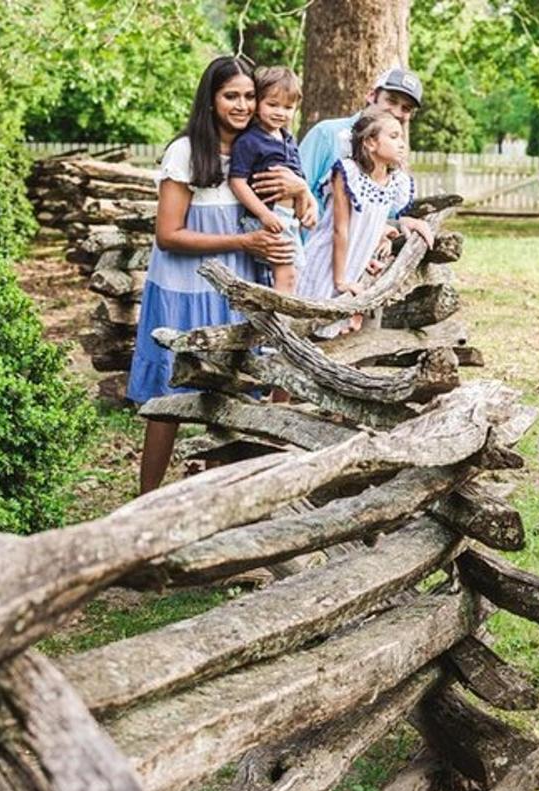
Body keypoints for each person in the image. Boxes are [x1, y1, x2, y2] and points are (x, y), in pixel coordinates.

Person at [128, 55, 310, 494]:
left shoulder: (260, 149)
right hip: (183, 289)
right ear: (210, 100)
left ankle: (213, 499)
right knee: (167, 399)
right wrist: (242, 244)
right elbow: (169, 235)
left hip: (237, 292)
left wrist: (300, 189)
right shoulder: (187, 152)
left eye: (250, 95)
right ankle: (146, 502)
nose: (243, 105)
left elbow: (284, 215)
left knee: (228, 395)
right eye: (232, 95)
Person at [297, 108, 432, 336]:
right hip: (326, 260)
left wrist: (367, 256)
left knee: (334, 332)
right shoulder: (348, 172)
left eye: (401, 136)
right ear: (370, 142)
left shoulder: (395, 182)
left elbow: (370, 224)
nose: (401, 143)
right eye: (393, 136)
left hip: (354, 263)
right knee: (309, 322)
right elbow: (341, 229)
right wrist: (341, 281)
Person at [228, 66, 317, 294]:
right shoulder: (250, 141)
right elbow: (237, 182)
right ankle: (280, 320)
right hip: (267, 215)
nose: (280, 112)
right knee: (286, 274)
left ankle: (281, 316)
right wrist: (264, 214)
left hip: (287, 218)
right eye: (272, 104)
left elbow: (299, 180)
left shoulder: (287, 138)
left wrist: (308, 207)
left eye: (288, 107)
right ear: (257, 103)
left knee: (293, 273)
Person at [298, 68, 423, 221]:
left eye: (406, 108)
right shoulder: (327, 134)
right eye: (391, 100)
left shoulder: (393, 153)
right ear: (372, 95)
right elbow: (296, 188)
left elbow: (385, 214)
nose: (397, 112)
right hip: (315, 240)